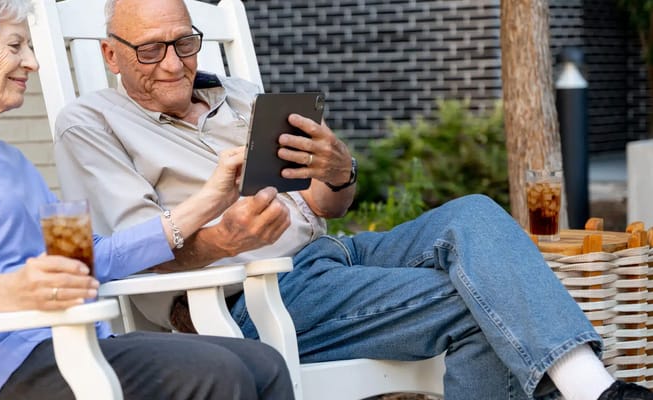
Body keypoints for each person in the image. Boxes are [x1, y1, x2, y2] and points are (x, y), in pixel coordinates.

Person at [52, 0, 653, 399]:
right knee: (474, 301)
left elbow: (329, 206)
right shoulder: (91, 123)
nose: (175, 64)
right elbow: (138, 254)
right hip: (246, 296)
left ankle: (593, 391)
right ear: (111, 54)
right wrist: (222, 238)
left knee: (472, 213)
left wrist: (339, 173)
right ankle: (596, 390)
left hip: (330, 258)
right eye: (151, 50)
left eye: (185, 44)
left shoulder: (240, 94)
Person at [0, 0, 295, 399]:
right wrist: (13, 289)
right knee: (221, 373)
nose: (32, 62)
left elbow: (92, 258)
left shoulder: (10, 159)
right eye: (16, 45)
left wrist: (211, 198)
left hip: (72, 339)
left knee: (263, 363)